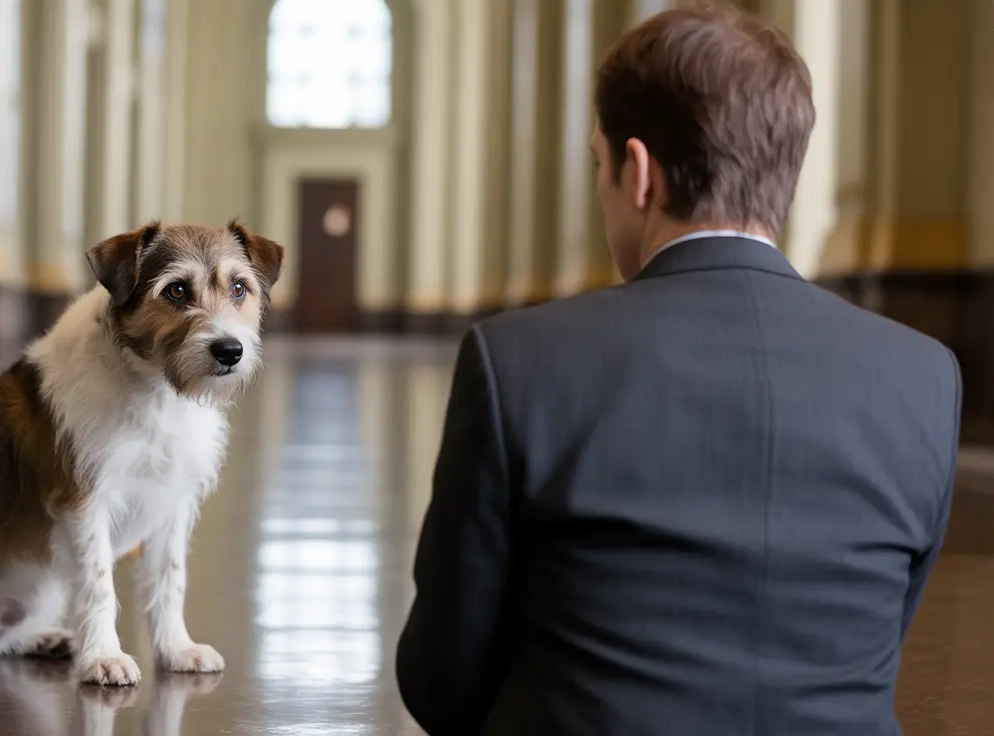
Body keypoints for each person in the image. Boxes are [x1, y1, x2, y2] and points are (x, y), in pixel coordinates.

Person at [395, 5, 962, 735]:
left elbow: (443, 682)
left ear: (637, 173)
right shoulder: (922, 375)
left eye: (598, 164)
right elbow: (878, 638)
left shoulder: (519, 362)